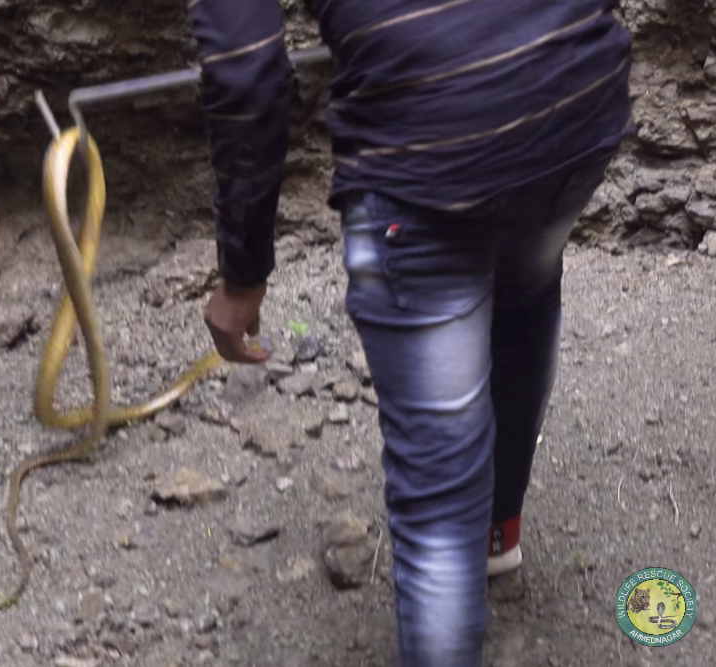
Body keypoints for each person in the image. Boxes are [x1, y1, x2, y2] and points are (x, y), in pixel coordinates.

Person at [188, 1, 632, 666]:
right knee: (525, 289)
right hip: (578, 98)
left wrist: (243, 271)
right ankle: (495, 535)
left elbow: (246, 74)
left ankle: (472, 541)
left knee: (439, 488)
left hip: (427, 157)